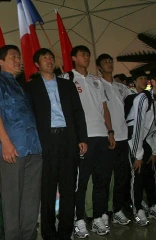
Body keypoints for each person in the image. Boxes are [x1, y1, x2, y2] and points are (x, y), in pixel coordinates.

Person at [26, 48, 87, 240]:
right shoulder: (30, 87)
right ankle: (49, 233)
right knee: (48, 189)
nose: (49, 60)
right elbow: (28, 117)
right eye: (44, 58)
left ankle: (65, 233)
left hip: (68, 140)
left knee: (69, 188)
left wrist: (82, 138)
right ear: (37, 64)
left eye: (51, 57)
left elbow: (78, 112)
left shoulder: (67, 85)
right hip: (46, 141)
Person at [0, 45, 43, 240]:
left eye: (19, 57)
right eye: (14, 57)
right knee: (11, 200)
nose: (19, 60)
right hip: (12, 148)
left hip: (33, 148)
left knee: (31, 200)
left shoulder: (21, 86)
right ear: (1, 61)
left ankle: (29, 236)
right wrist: (6, 143)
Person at [60, 45, 116, 237]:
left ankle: (99, 217)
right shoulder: (67, 78)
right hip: (83, 138)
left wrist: (110, 131)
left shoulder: (96, 81)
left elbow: (105, 108)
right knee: (81, 182)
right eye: (82, 54)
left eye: (88, 54)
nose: (86, 57)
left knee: (102, 179)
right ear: (74, 57)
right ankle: (80, 220)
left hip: (102, 136)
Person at [96, 54, 132, 226]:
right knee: (104, 177)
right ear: (99, 67)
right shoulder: (96, 85)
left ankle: (117, 210)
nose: (109, 64)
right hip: (107, 138)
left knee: (121, 176)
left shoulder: (121, 88)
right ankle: (102, 212)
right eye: (105, 62)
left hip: (123, 138)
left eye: (111, 61)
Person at [126, 70, 156, 226]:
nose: (144, 81)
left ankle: (151, 205)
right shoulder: (143, 98)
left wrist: (153, 150)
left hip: (145, 142)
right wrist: (137, 154)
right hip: (134, 141)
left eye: (146, 78)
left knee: (149, 175)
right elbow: (137, 127)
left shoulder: (153, 99)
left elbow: (153, 128)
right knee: (136, 178)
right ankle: (137, 210)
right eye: (141, 78)